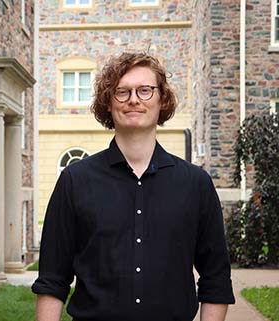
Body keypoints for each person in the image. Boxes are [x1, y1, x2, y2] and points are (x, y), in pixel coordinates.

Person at [32, 52, 235, 321]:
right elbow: (52, 279)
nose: (134, 100)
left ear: (162, 100)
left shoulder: (196, 184)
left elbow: (216, 279)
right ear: (108, 103)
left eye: (145, 90)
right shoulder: (75, 180)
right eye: (122, 92)